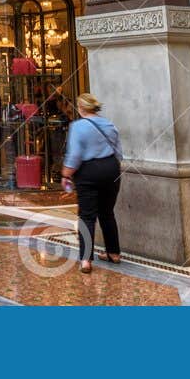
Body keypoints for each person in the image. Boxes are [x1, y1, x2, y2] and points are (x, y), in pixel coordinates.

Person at [61, 93, 122, 274]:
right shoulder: (109, 124)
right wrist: (112, 164)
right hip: (111, 168)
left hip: (88, 171)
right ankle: (114, 253)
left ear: (81, 108)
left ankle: (86, 260)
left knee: (87, 216)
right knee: (107, 213)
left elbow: (75, 155)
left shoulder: (78, 126)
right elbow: (119, 150)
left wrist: (66, 173)